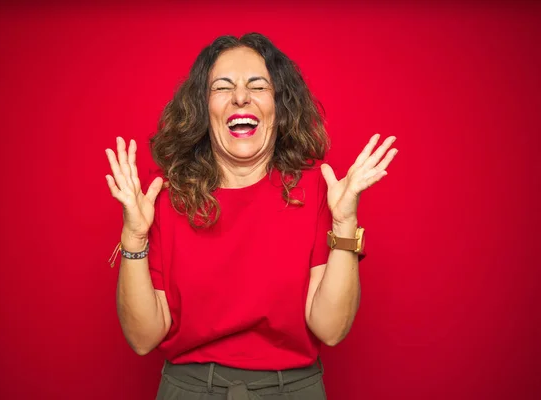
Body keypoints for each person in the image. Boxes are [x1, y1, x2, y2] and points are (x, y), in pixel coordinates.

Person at [104, 33, 398, 400]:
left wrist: (344, 225)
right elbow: (143, 339)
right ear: (203, 108)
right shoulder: (165, 198)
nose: (240, 97)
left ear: (279, 105)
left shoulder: (320, 191)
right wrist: (134, 238)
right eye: (222, 87)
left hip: (292, 389)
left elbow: (331, 329)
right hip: (189, 389)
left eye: (257, 86)